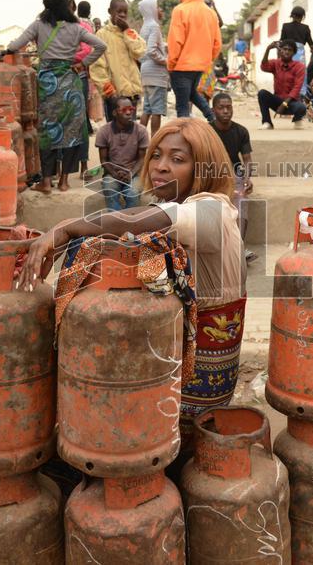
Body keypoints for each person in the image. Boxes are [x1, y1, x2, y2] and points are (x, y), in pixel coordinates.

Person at [19, 118, 245, 421]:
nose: (160, 166)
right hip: (183, 346)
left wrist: (66, 230)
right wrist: (66, 229)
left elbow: (137, 220)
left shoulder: (213, 210)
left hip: (204, 368)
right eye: (156, 155)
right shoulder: (178, 205)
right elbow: (137, 218)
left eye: (177, 159)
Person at [1, 0, 106, 193]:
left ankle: (46, 182)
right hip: (70, 82)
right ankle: (64, 181)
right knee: (71, 132)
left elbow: (17, 44)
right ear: (66, 5)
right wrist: (83, 64)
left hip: (48, 84)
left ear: (47, 5)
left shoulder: (39, 25)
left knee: (47, 132)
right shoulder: (76, 28)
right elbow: (100, 46)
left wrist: (7, 51)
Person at [167, 0, 221, 121]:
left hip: (181, 66)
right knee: (192, 93)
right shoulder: (210, 13)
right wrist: (207, 60)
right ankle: (212, 118)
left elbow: (175, 41)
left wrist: (171, 64)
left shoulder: (180, 10)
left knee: (182, 107)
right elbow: (217, 43)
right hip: (200, 66)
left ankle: (185, 138)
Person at [90, 0, 146, 123]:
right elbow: (97, 67)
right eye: (119, 11)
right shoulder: (102, 35)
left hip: (132, 94)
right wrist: (110, 94)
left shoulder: (130, 32)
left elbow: (140, 51)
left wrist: (127, 30)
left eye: (125, 12)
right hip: (114, 96)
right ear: (110, 11)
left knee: (131, 133)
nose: (122, 14)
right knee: (115, 135)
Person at [210, 93, 254, 247]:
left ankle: (239, 247)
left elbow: (247, 160)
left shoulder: (241, 131)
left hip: (235, 173)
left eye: (228, 107)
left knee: (241, 199)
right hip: (210, 173)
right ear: (213, 110)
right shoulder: (207, 131)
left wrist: (248, 178)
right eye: (221, 108)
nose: (226, 111)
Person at [96, 96, 149, 211]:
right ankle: (117, 222)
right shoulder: (104, 131)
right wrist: (115, 174)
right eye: (124, 110)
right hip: (112, 173)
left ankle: (128, 223)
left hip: (134, 173)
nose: (129, 113)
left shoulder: (141, 131)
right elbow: (103, 160)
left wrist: (131, 173)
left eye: (131, 109)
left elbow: (141, 159)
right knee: (109, 188)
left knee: (133, 193)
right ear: (115, 113)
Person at [72, 0, 98, 181]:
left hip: (76, 74)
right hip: (67, 76)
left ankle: (83, 165)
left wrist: (70, 59)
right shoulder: (55, 26)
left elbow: (90, 49)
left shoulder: (81, 25)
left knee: (79, 121)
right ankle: (62, 170)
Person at [257, 40, 307, 130]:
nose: (287, 51)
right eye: (284, 49)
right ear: (280, 51)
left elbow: (297, 88)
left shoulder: (300, 67)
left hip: (291, 103)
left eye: (290, 50)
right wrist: (268, 49)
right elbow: (264, 67)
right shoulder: (276, 63)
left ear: (294, 52)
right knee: (262, 93)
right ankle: (267, 122)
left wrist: (284, 104)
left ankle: (297, 120)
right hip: (278, 101)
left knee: (301, 107)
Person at [138, 0, 169, 137]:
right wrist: (166, 61)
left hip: (146, 71)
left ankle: (139, 139)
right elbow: (151, 50)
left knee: (147, 109)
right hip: (156, 73)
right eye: (158, 7)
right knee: (156, 110)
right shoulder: (154, 27)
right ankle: (154, 140)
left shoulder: (144, 26)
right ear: (151, 10)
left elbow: (141, 50)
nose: (161, 10)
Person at [78, 1, 105, 125]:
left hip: (80, 65)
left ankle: (87, 124)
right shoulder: (88, 25)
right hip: (89, 63)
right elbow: (91, 48)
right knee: (88, 96)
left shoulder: (76, 23)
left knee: (84, 99)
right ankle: (88, 124)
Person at [281, 6, 313, 95]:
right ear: (302, 16)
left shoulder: (285, 26)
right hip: (300, 54)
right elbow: (312, 46)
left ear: (292, 16)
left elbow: (281, 42)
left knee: (287, 73)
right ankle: (300, 95)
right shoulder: (305, 28)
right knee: (300, 75)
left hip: (287, 53)